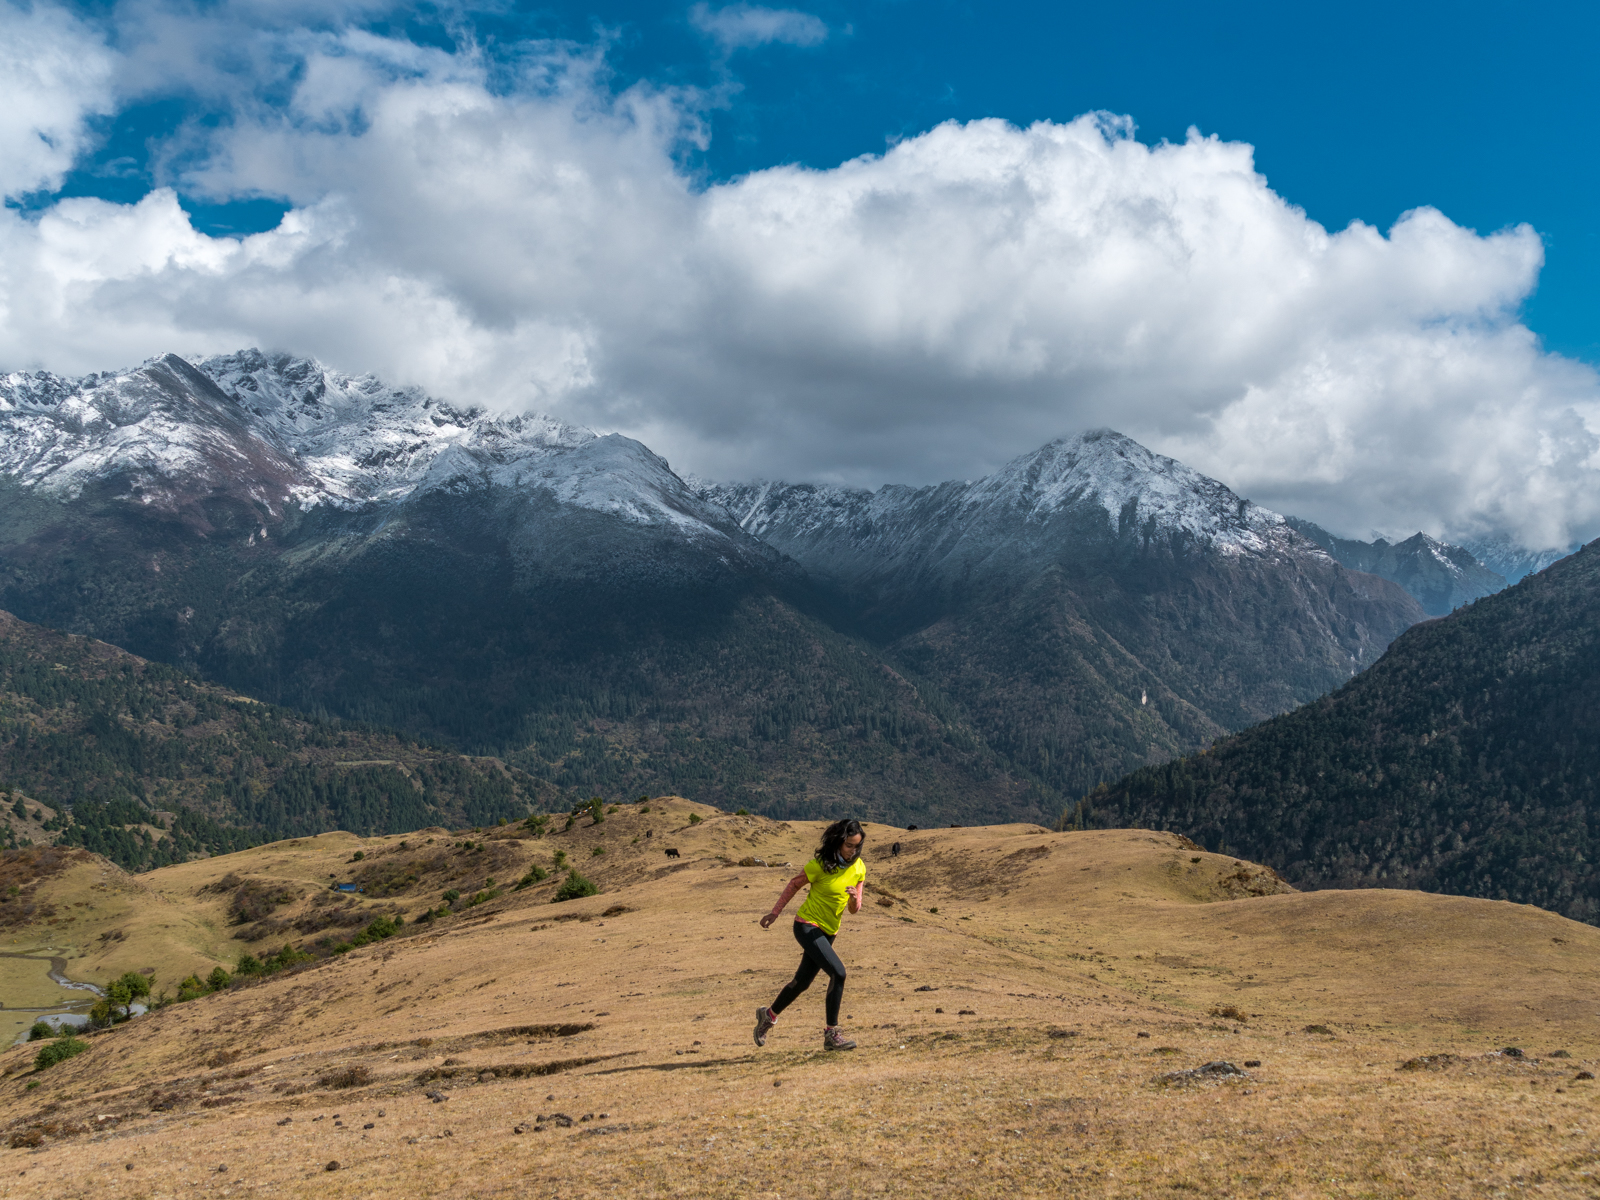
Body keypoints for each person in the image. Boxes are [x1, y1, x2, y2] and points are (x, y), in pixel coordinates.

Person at [753, 818, 866, 1051]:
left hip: (829, 931)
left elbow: (855, 909)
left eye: (857, 846)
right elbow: (794, 884)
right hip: (806, 925)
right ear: (838, 842)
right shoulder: (820, 865)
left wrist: (855, 899)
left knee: (802, 983)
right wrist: (775, 913)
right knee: (839, 973)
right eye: (849, 846)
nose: (853, 851)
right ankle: (831, 1034)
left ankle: (768, 1015)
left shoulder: (859, 868)